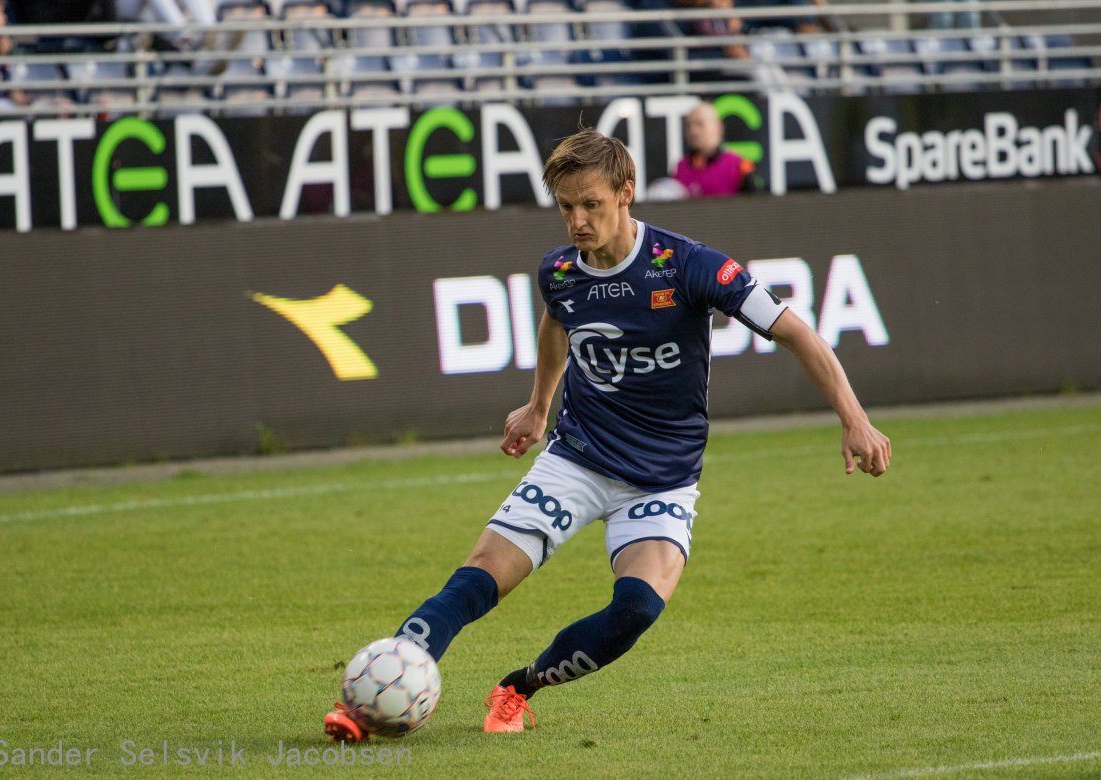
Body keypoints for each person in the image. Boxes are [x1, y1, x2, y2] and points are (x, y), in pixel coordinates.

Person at [323, 127, 891, 740]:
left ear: (626, 193)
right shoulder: (561, 272)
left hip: (663, 479)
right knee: (481, 576)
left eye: (590, 204)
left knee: (636, 611)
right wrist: (539, 407)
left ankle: (519, 687)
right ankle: (367, 703)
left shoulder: (691, 265)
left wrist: (854, 419)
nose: (577, 221)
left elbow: (795, 332)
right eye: (566, 207)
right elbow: (555, 323)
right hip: (577, 459)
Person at [672, 101, 756, 197]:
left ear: (717, 126)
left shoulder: (738, 166)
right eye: (688, 125)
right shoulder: (680, 168)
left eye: (699, 124)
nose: (693, 131)